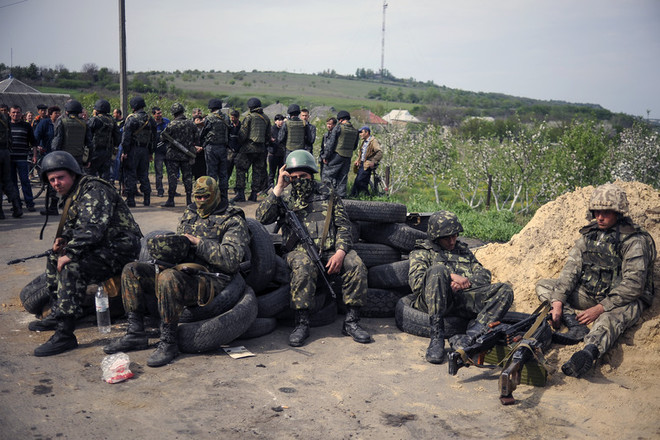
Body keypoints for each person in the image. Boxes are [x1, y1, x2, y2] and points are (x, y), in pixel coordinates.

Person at [103, 176, 249, 367]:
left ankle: (169, 341)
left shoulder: (233, 220)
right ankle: (135, 333)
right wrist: (168, 250)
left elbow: (231, 260)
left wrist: (198, 243)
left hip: (210, 279)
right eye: (198, 197)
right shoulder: (190, 213)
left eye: (206, 197)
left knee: (167, 278)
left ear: (216, 195)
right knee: (132, 270)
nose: (201, 202)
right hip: (182, 271)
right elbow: (181, 245)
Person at [535, 183, 656, 377]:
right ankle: (574, 324)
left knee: (609, 319)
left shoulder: (634, 241)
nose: (600, 216)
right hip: (591, 293)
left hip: (622, 300)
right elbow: (570, 271)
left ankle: (588, 353)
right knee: (545, 286)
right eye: (597, 211)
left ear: (619, 213)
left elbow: (634, 286)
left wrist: (600, 308)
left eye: (606, 212)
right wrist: (557, 302)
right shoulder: (590, 234)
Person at [256, 150, 371, 347]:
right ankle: (302, 323)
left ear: (312, 174)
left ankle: (352, 321)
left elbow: (344, 226)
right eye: (294, 177)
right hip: (298, 252)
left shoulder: (328, 194)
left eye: (304, 176)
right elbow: (261, 219)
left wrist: (341, 252)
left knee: (356, 264)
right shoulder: (284, 196)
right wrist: (278, 188)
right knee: (304, 265)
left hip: (329, 251)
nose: (299, 180)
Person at [32, 151, 142, 356]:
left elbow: (92, 228)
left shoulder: (94, 189)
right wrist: (63, 239)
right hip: (101, 246)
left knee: (71, 267)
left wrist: (71, 252)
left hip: (120, 248)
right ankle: (59, 311)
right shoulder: (74, 193)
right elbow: (77, 224)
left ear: (73, 174)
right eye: (52, 180)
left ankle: (65, 334)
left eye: (60, 178)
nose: (56, 183)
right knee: (54, 257)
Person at [408, 210, 514, 364]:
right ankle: (437, 337)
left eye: (455, 236)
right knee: (438, 270)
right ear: (436, 237)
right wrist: (449, 276)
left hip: (461, 299)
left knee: (505, 290)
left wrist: (465, 283)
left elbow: (484, 276)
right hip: (433, 302)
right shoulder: (422, 253)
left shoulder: (463, 251)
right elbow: (417, 284)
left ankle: (471, 336)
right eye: (447, 238)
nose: (452, 241)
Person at [160, 103, 198, 208]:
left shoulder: (171, 125)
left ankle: (171, 200)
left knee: (172, 177)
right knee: (188, 177)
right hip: (187, 155)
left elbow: (163, 138)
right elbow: (197, 139)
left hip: (173, 156)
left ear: (173, 113)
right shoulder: (191, 124)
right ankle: (189, 200)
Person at [121, 96, 156, 207]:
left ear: (133, 107)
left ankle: (131, 200)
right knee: (144, 174)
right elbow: (154, 138)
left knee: (131, 174)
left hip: (133, 150)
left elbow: (126, 137)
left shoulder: (131, 119)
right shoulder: (150, 119)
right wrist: (151, 152)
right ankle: (147, 199)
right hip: (145, 150)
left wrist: (125, 151)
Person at [234, 97, 270, 202]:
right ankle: (254, 195)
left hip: (248, 148)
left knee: (241, 169)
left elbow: (243, 134)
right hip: (261, 149)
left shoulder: (249, 118)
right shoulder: (266, 118)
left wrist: (239, 142)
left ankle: (240, 194)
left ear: (250, 107)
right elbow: (268, 136)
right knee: (257, 172)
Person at [320, 110, 358, 198]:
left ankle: (325, 196)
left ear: (340, 120)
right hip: (348, 157)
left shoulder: (338, 128)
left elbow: (331, 144)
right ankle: (340, 198)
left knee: (327, 175)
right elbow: (355, 146)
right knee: (343, 178)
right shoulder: (355, 130)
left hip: (337, 155)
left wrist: (326, 156)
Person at [200, 98, 230, 205]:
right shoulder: (226, 117)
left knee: (212, 174)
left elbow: (202, 133)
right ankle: (224, 198)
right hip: (223, 148)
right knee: (223, 174)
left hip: (211, 148)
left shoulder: (209, 118)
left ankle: (213, 198)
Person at [9, 105, 37, 212]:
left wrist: (34, 155)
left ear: (22, 114)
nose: (16, 114)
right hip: (9, 159)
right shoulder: (6, 126)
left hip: (22, 158)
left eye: (18, 112)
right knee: (12, 182)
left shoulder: (26, 126)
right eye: (13, 112)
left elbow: (33, 142)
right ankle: (17, 204)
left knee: (25, 181)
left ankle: (29, 203)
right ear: (10, 114)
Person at [34, 106, 62, 216]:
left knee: (54, 183)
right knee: (49, 182)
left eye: (59, 113)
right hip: (47, 156)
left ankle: (53, 206)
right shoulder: (44, 123)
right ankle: (51, 207)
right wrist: (38, 148)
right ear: (50, 114)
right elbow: (36, 137)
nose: (58, 115)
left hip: (58, 157)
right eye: (56, 113)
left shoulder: (61, 124)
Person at [52, 100, 93, 168]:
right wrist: (88, 160)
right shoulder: (84, 124)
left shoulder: (62, 122)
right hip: (79, 157)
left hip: (64, 157)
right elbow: (89, 144)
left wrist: (55, 156)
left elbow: (57, 142)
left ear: (67, 111)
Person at [87, 99, 120, 182]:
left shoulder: (94, 120)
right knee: (105, 177)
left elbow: (87, 136)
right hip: (107, 152)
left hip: (94, 152)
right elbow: (118, 138)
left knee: (90, 175)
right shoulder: (112, 121)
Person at [0, 107, 22, 219]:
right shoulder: (4, 118)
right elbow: (10, 138)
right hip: (5, 152)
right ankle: (17, 206)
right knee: (7, 181)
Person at [349, 126, 382, 197]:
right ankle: (359, 196)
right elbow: (363, 153)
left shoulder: (373, 141)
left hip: (367, 164)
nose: (360, 134)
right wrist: (358, 160)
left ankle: (356, 195)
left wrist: (373, 161)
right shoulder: (364, 142)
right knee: (361, 181)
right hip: (362, 164)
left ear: (367, 132)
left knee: (359, 180)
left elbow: (379, 152)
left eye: (361, 132)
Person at [152, 107, 171, 197]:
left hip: (168, 151)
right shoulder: (152, 124)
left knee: (171, 172)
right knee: (159, 173)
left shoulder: (167, 122)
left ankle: (172, 190)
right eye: (158, 113)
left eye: (160, 113)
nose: (160, 115)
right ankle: (160, 191)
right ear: (154, 115)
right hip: (158, 152)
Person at [268, 114, 286, 188]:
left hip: (281, 154)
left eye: (282, 120)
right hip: (273, 154)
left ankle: (278, 187)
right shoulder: (271, 129)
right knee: (272, 172)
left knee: (280, 173)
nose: (280, 122)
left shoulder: (284, 129)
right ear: (275, 121)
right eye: (279, 120)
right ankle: (270, 187)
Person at [227, 109, 241, 184]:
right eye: (231, 117)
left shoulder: (242, 127)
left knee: (239, 171)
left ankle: (238, 187)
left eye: (233, 118)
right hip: (229, 151)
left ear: (237, 117)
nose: (232, 119)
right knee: (228, 169)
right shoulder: (229, 126)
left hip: (239, 152)